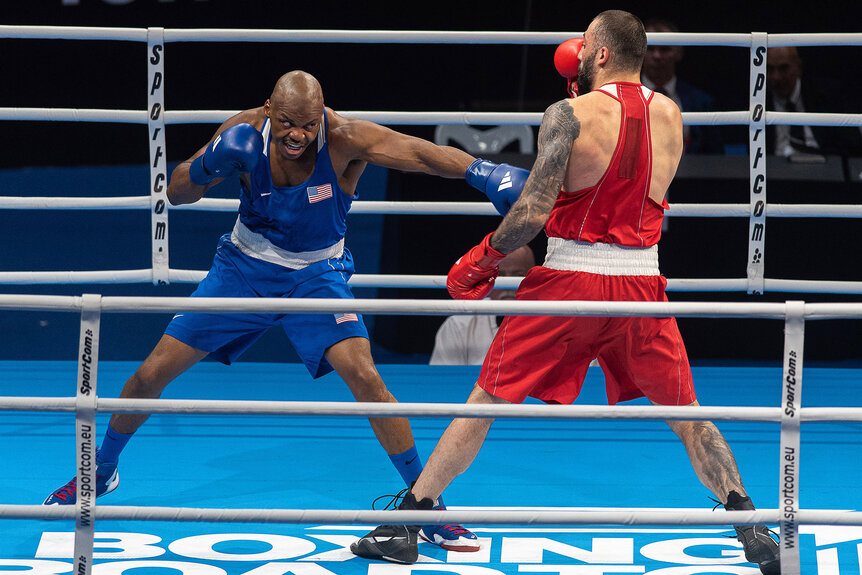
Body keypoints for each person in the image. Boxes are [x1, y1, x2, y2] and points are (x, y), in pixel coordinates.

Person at [351, 11, 780, 574]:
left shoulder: (567, 113)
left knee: (486, 401)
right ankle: (754, 531)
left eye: (585, 44)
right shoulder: (674, 116)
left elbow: (532, 211)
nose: (575, 51)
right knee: (688, 414)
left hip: (570, 283)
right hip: (641, 284)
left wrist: (481, 259)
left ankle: (410, 523)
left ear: (600, 53)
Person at [42, 70, 532, 552]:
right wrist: (211, 164)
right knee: (150, 375)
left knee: (366, 379)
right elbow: (176, 191)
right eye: (288, 123)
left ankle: (427, 506)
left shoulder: (343, 138)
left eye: (309, 124)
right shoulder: (243, 130)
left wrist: (481, 173)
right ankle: (99, 474)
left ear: (322, 116)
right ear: (270, 110)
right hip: (241, 269)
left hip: (318, 278)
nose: (298, 135)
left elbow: (420, 155)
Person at [429, 246, 535, 365]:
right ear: (488, 277)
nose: (507, 284)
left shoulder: (550, 321)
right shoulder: (459, 325)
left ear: (534, 278)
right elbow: (444, 380)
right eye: (500, 275)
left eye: (518, 275)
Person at [640, 17, 723, 155]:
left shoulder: (701, 102)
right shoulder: (620, 98)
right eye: (650, 49)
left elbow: (716, 158)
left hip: (690, 174)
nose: (657, 56)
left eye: (664, 49)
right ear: (639, 52)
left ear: (679, 52)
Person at [765, 46, 862, 158]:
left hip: (823, 169)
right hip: (773, 170)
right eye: (769, 69)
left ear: (798, 67)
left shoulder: (828, 95)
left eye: (783, 68)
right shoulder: (757, 103)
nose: (776, 77)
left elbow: (853, 145)